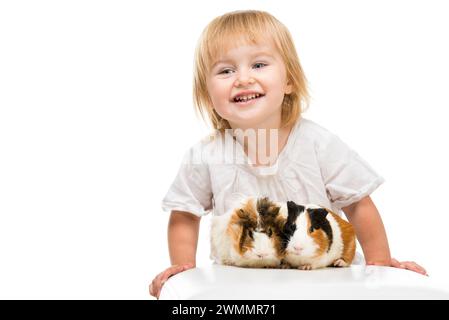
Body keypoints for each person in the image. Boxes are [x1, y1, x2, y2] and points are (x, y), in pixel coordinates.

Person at [149, 10, 427, 299]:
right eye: (226, 71)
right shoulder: (206, 154)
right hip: (241, 288)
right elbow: (184, 214)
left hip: (325, 283)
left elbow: (358, 204)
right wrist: (183, 273)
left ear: (289, 81)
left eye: (258, 64)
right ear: (208, 95)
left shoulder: (318, 143)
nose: (243, 78)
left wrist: (379, 267)